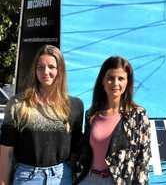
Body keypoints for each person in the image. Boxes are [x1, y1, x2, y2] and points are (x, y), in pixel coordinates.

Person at [0, 45, 84, 185]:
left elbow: (75, 150)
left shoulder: (75, 106)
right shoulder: (17, 105)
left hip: (62, 177)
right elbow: (6, 152)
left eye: (51, 67)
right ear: (35, 70)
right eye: (40, 67)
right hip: (27, 177)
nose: (46, 72)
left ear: (60, 70)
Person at [77, 56, 151, 185]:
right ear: (103, 81)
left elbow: (142, 161)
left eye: (121, 78)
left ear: (127, 82)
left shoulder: (138, 115)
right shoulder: (91, 114)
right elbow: (84, 152)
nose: (116, 83)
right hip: (89, 180)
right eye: (110, 78)